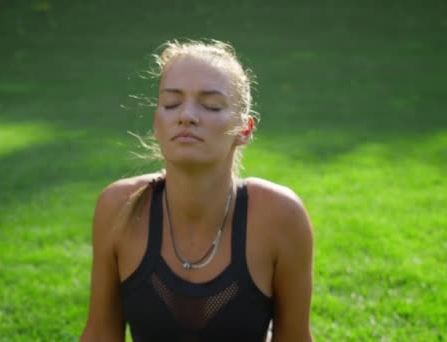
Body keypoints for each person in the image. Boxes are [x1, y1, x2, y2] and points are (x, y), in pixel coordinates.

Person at [80, 39, 314, 341]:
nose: (187, 115)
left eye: (210, 105)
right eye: (171, 104)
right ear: (156, 122)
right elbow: (100, 333)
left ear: (244, 129)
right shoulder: (119, 206)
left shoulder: (281, 216)